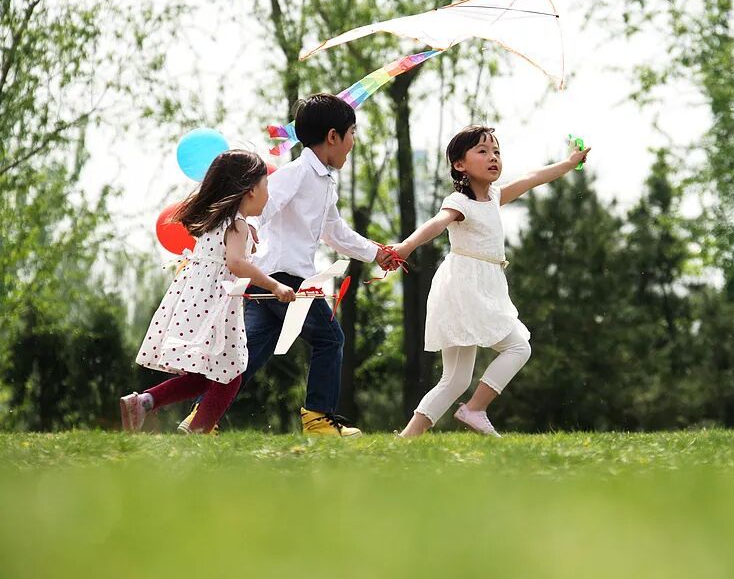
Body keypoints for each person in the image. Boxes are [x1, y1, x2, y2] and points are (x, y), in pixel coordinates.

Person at [177, 94, 398, 437]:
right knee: (330, 339)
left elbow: (333, 231)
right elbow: (260, 206)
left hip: (273, 278)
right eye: (352, 133)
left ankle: (201, 418)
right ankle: (318, 418)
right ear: (332, 137)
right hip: (284, 276)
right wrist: (246, 232)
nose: (353, 142)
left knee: (245, 356)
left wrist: (375, 252)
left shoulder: (323, 180)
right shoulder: (296, 173)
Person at [392, 125, 590, 437]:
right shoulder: (460, 202)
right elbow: (435, 224)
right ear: (460, 164)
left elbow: (532, 178)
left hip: (483, 285)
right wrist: (404, 248)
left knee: (455, 379)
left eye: (496, 151)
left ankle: (405, 441)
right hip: (465, 287)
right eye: (482, 151)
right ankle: (474, 409)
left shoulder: (494, 197)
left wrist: (569, 163)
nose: (493, 157)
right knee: (518, 347)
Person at [121, 150, 295, 433]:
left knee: (210, 374)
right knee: (232, 373)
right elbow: (236, 263)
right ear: (250, 190)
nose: (269, 194)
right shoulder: (237, 224)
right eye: (266, 186)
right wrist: (274, 284)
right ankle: (197, 431)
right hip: (215, 307)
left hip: (194, 301)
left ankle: (145, 401)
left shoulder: (215, 221)